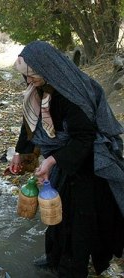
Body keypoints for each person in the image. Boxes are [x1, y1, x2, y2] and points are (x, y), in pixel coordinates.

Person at [9, 41, 124, 277]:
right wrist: (20, 153)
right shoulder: (38, 87)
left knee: (77, 220)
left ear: (48, 70)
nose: (29, 82)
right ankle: (54, 257)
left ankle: (72, 267)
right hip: (63, 157)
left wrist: (51, 162)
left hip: (87, 162)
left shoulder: (72, 92)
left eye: (32, 77)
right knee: (55, 211)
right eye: (26, 77)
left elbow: (84, 137)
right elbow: (30, 124)